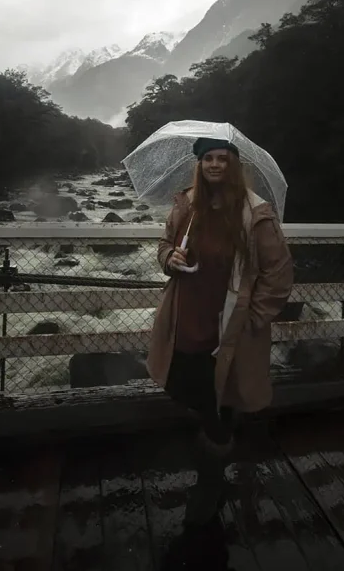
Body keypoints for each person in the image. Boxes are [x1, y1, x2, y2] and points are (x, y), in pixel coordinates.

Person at [146, 136, 294, 525]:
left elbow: (278, 274)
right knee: (189, 380)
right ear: (199, 164)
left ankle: (213, 470)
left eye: (222, 159)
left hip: (230, 320)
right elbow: (163, 245)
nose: (214, 165)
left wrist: (255, 317)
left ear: (234, 165)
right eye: (208, 158)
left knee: (221, 387)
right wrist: (169, 257)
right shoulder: (186, 205)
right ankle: (218, 440)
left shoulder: (254, 213)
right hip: (186, 312)